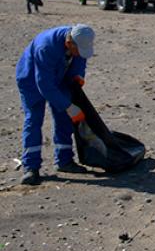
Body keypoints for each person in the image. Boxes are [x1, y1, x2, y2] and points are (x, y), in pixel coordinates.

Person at [16, 25, 96, 185]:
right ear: (68, 43)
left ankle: (64, 160)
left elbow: (80, 60)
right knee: (34, 119)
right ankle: (31, 167)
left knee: (64, 118)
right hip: (31, 81)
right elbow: (44, 85)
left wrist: (77, 77)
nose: (80, 53)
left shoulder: (80, 40)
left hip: (59, 77)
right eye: (77, 50)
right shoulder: (46, 47)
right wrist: (69, 106)